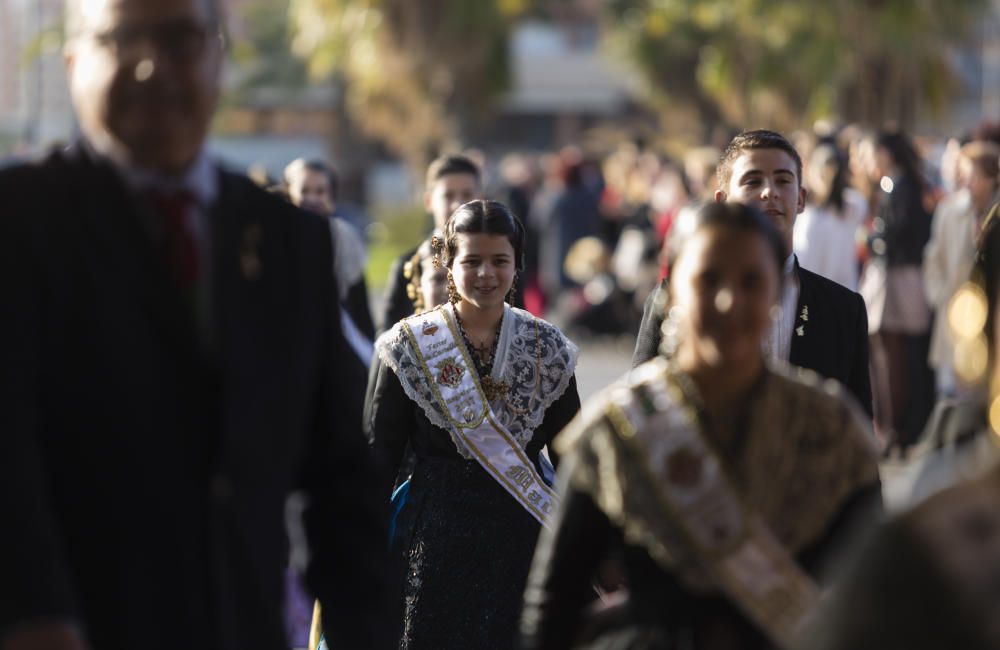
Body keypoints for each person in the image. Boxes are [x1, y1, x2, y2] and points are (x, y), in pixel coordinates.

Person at [0, 1, 389, 649]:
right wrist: (34, 615)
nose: (154, 67)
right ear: (74, 63)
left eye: (181, 39)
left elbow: (343, 487)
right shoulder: (20, 226)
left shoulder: (291, 244)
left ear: (219, 57)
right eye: (124, 40)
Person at [520, 202, 882, 650]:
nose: (730, 301)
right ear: (672, 292)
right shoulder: (618, 430)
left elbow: (876, 591)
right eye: (708, 280)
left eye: (752, 281)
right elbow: (552, 607)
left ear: (779, 292)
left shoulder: (829, 427)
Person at [367, 200, 581, 649]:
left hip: (522, 538)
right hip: (433, 540)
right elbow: (380, 454)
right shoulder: (408, 345)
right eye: (472, 261)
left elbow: (574, 459)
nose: (486, 273)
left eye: (499, 261)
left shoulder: (548, 348)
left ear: (518, 264)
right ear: (447, 262)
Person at [634, 130, 873, 417]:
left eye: (783, 180)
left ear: (801, 198)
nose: (769, 192)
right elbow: (639, 410)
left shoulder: (842, 310)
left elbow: (857, 434)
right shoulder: (674, 297)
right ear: (722, 200)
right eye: (753, 181)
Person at [861, 129, 935, 446]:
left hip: (899, 279)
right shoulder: (906, 182)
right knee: (898, 357)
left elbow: (893, 234)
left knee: (895, 358)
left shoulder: (898, 184)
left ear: (887, 153)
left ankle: (900, 428)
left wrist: (870, 240)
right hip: (904, 277)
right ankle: (902, 427)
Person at [284, 157, 376, 360]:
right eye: (305, 191)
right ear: (290, 194)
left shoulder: (345, 238)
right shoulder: (278, 237)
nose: (312, 199)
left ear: (332, 198)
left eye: (320, 191)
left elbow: (358, 302)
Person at [379, 154, 482, 332]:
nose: (458, 204)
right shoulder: (408, 265)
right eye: (448, 196)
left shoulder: (498, 263)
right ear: (429, 201)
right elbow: (386, 340)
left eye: (467, 194)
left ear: (481, 199)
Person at [793, 143, 868, 291]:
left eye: (831, 172)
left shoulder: (851, 206)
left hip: (841, 289)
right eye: (820, 171)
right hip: (807, 289)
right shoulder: (802, 208)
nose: (825, 178)